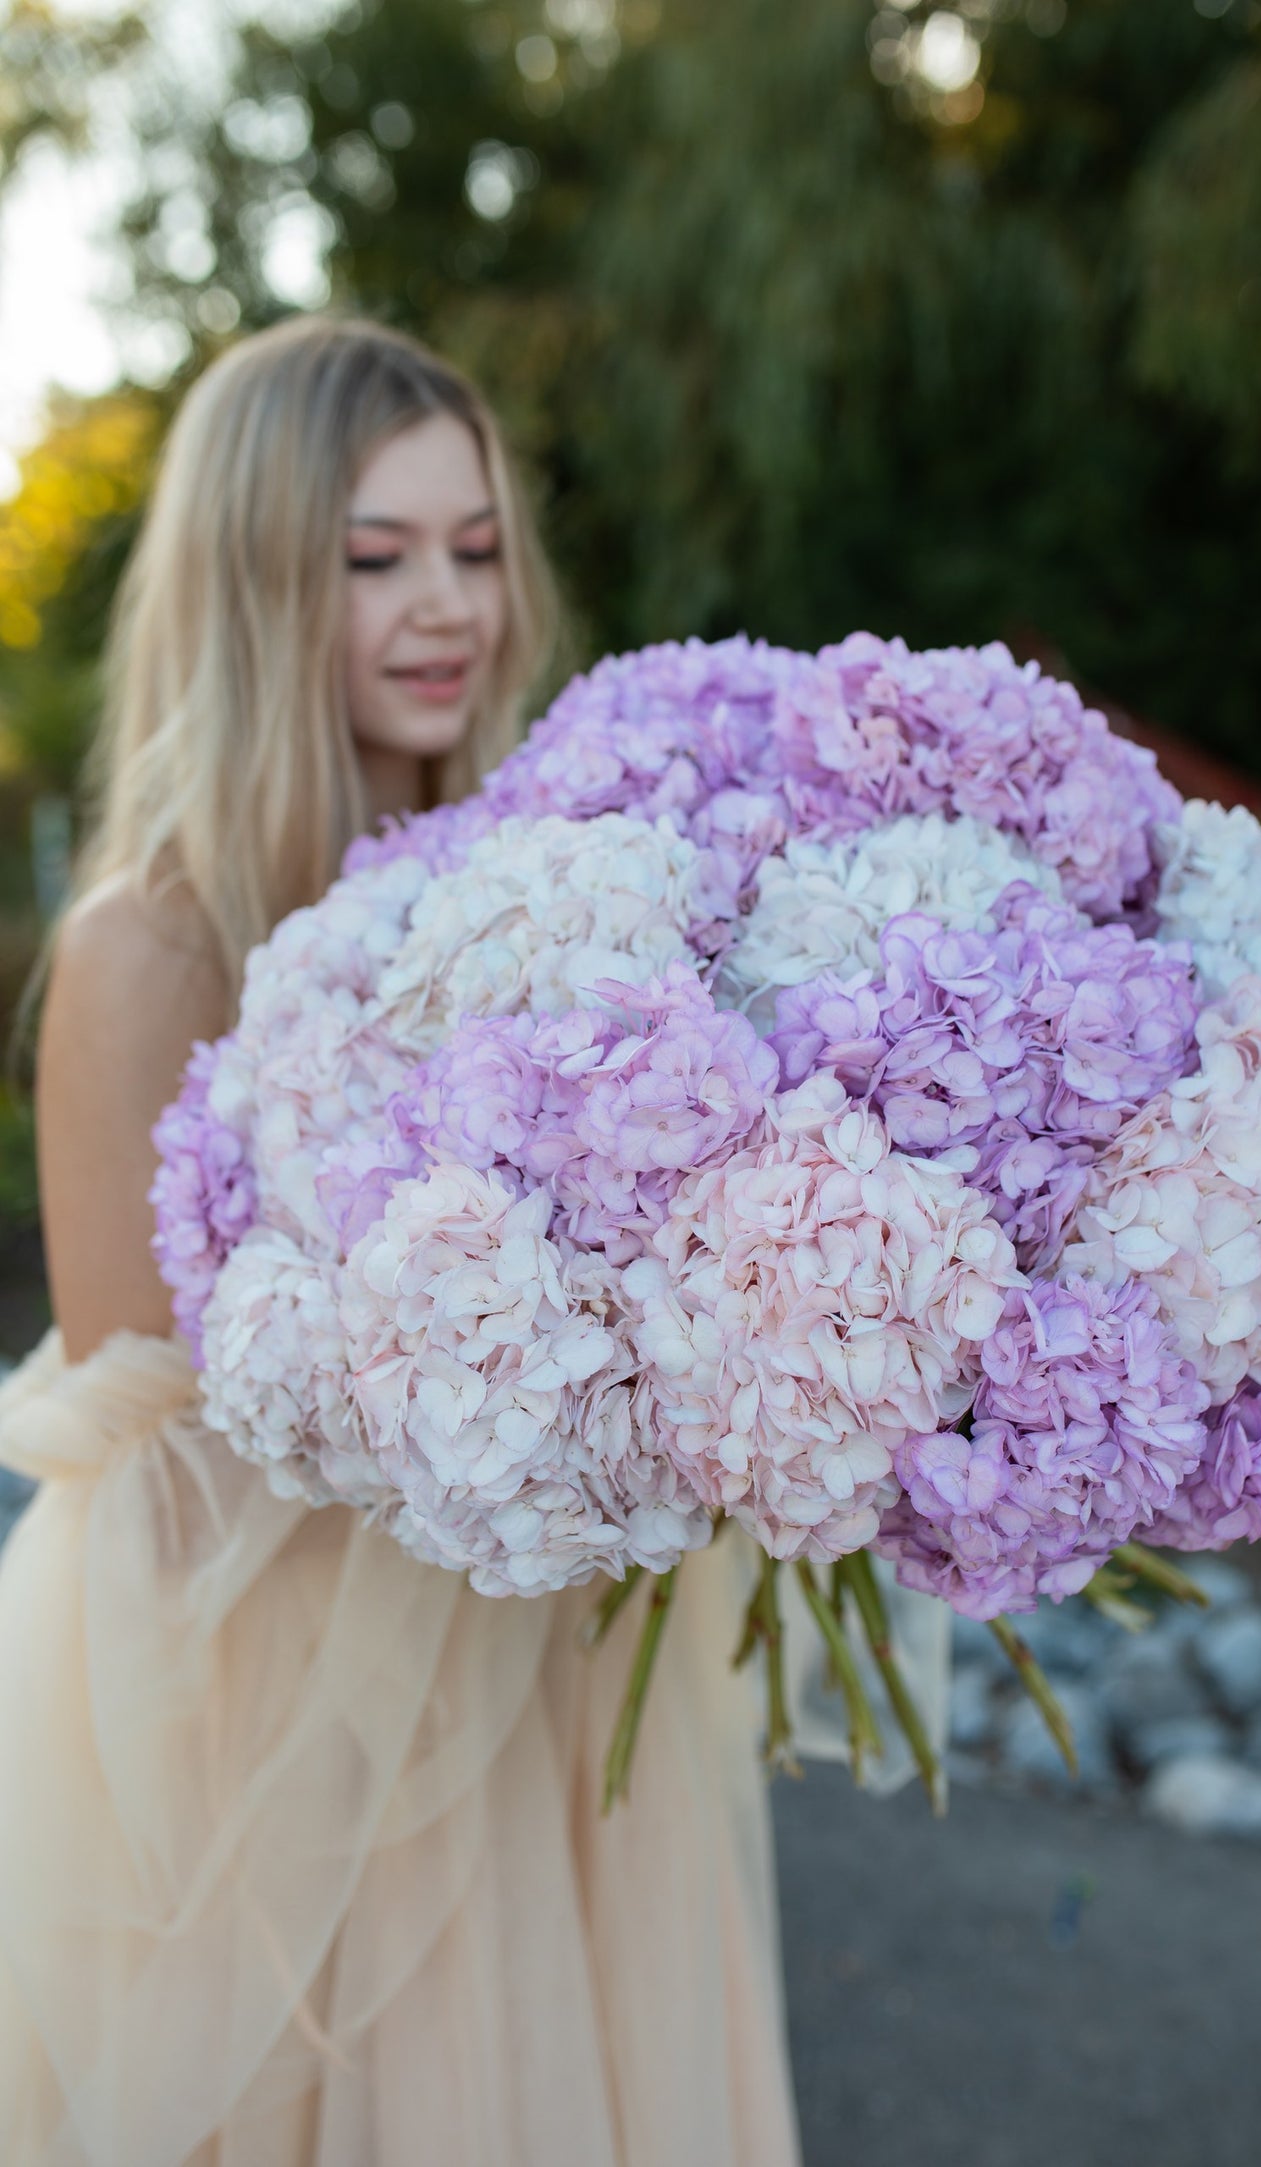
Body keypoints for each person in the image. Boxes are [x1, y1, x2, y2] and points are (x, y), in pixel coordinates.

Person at [0, 316, 802, 2167]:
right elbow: (150, 1465)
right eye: (376, 558)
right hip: (281, 1738)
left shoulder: (554, 873)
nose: (446, 602)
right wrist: (477, 1403)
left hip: (546, 1672)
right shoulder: (151, 944)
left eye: (475, 543)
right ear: (257, 580)